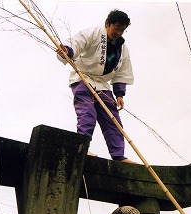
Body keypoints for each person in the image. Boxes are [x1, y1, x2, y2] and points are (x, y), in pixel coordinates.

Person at [57, 9, 134, 163]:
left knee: (113, 120)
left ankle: (118, 156)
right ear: (107, 23)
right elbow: (76, 43)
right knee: (87, 113)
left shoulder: (123, 47)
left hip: (102, 85)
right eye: (116, 28)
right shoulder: (93, 33)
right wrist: (67, 50)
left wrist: (119, 94)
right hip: (83, 79)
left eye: (122, 30)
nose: (118, 32)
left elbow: (122, 71)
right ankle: (82, 147)